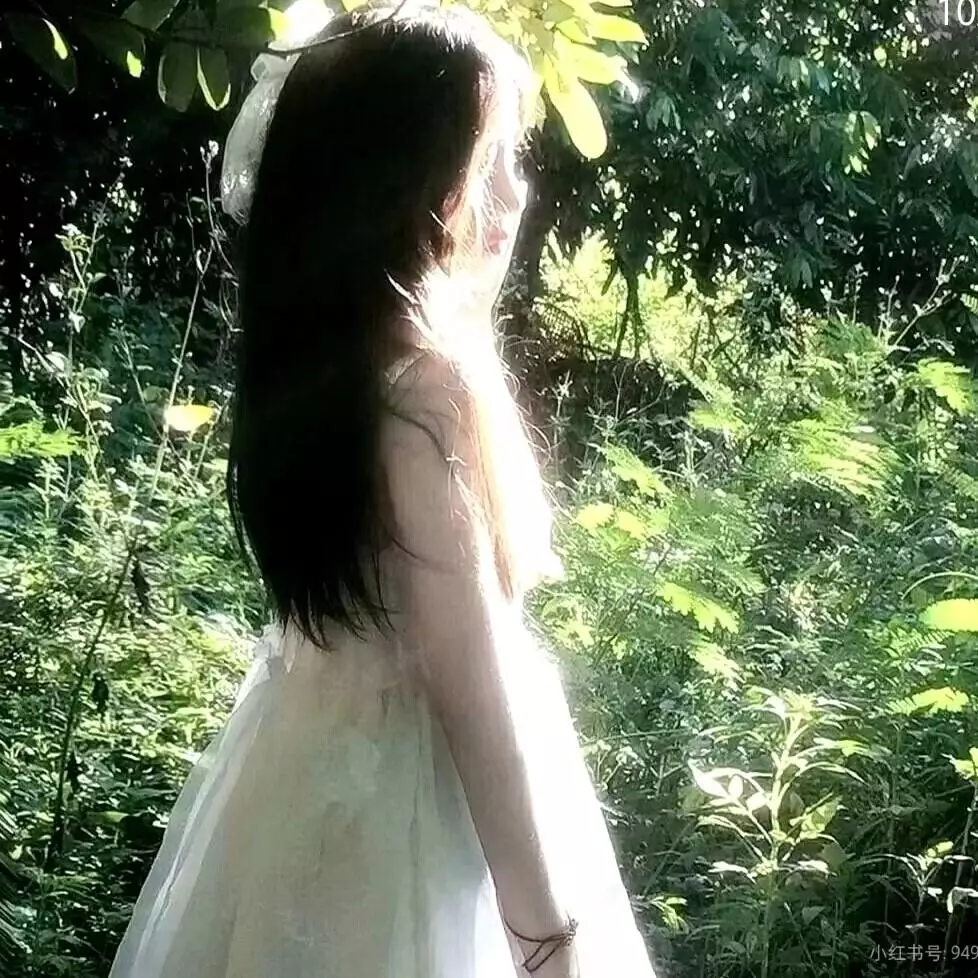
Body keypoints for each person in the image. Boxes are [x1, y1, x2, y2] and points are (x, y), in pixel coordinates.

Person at [108, 3, 658, 977]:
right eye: (492, 159)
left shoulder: (330, 376)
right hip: (409, 817)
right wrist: (547, 939)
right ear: (413, 184)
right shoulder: (423, 395)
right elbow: (471, 688)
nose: (517, 192)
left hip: (299, 781)